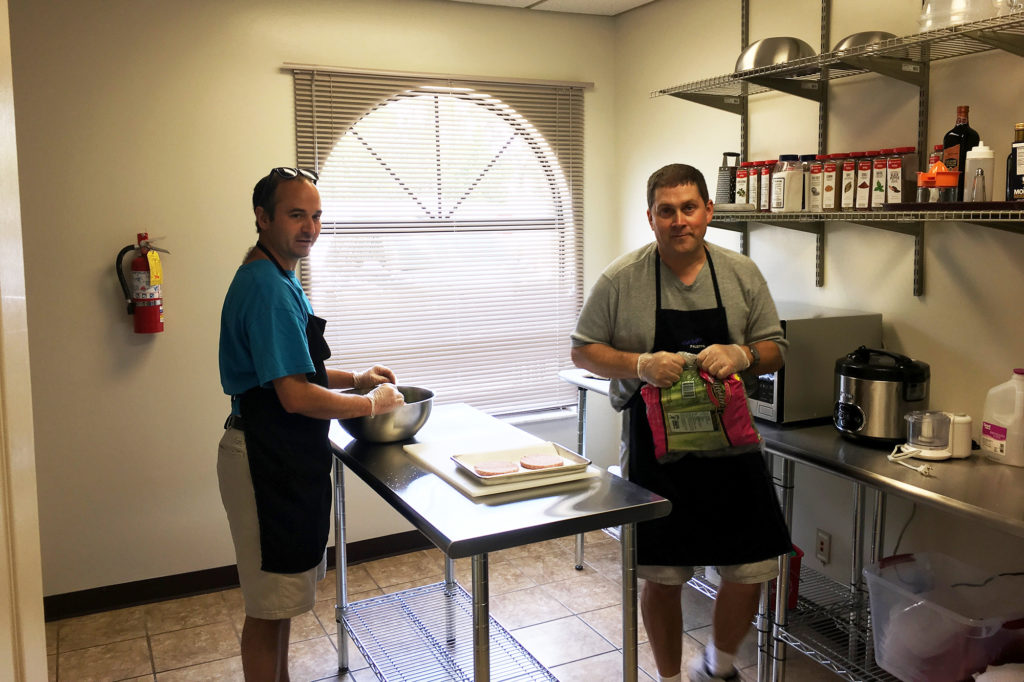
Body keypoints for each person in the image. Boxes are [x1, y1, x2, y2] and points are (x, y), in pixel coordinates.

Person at [570, 163, 792, 682]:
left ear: (708, 212)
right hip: (656, 449)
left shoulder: (741, 274)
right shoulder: (621, 279)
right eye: (666, 211)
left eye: (689, 208)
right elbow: (583, 352)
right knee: (663, 575)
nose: (679, 221)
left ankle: (717, 665)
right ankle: (670, 678)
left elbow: (775, 349)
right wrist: (639, 364)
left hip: (732, 444)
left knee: (753, 565)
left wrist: (742, 355)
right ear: (650, 218)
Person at [217, 166, 405, 681]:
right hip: (263, 458)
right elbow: (295, 395)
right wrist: (371, 406)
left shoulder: (278, 274)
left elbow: (299, 367)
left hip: (281, 455)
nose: (310, 227)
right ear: (263, 217)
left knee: (280, 607)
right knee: (267, 609)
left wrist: (357, 379)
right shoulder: (267, 288)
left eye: (316, 215)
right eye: (296, 214)